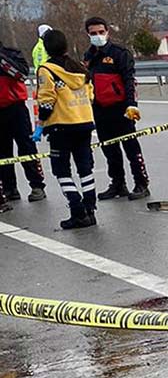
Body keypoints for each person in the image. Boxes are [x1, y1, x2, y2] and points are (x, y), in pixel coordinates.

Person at [83, 17, 150, 200]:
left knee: (130, 147)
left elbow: (129, 80)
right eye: (93, 33)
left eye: (101, 32)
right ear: (88, 34)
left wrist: (131, 104)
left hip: (121, 107)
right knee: (109, 149)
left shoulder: (120, 53)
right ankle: (118, 184)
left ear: (107, 32)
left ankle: (141, 183)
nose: (98, 36)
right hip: (100, 108)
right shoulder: (88, 56)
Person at [36, 29, 96, 229]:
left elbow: (46, 101)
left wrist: (41, 124)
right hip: (84, 123)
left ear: (46, 48)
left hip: (61, 126)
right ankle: (90, 209)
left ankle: (77, 211)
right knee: (85, 168)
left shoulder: (47, 70)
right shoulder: (79, 68)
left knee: (61, 170)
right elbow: (91, 96)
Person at [0, 40, 46, 208]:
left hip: (16, 108)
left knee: (26, 146)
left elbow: (22, 74)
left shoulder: (12, 53)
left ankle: (37, 185)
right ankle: (9, 188)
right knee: (3, 151)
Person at [31, 23, 51, 142]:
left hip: (47, 76)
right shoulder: (40, 48)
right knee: (47, 103)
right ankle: (46, 128)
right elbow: (40, 64)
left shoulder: (45, 45)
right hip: (45, 78)